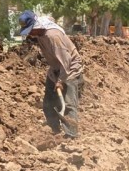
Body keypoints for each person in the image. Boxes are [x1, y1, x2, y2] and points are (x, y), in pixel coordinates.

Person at [18, 10, 85, 138]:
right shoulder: (40, 33)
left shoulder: (53, 36)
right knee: (48, 102)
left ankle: (71, 134)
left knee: (68, 103)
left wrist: (61, 81)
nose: (30, 34)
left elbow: (66, 61)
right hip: (55, 68)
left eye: (30, 30)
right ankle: (54, 129)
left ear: (36, 26)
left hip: (70, 68)